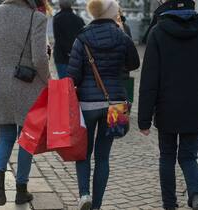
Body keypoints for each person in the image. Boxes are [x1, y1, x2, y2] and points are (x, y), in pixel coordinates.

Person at [138, 0, 198, 209]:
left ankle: (169, 204)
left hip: (167, 108)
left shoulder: (158, 33)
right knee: (188, 157)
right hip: (195, 109)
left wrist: (144, 119)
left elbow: (149, 79)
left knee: (167, 157)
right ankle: (196, 196)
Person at [0, 0, 50, 206]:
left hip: (1, 85)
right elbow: (40, 59)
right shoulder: (37, 18)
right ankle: (21, 190)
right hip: (28, 86)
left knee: (6, 135)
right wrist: (49, 81)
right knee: (27, 139)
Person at [67, 0, 140, 209]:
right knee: (103, 157)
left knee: (84, 152)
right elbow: (134, 63)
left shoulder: (82, 37)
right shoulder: (122, 35)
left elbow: (73, 75)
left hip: (88, 104)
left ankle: (84, 195)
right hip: (115, 103)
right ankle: (97, 205)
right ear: (111, 12)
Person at [53, 0, 85, 78]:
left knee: (64, 83)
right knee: (76, 83)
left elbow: (58, 38)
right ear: (71, 5)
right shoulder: (79, 19)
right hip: (76, 56)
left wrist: (66, 51)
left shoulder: (57, 18)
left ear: (60, 5)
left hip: (61, 56)